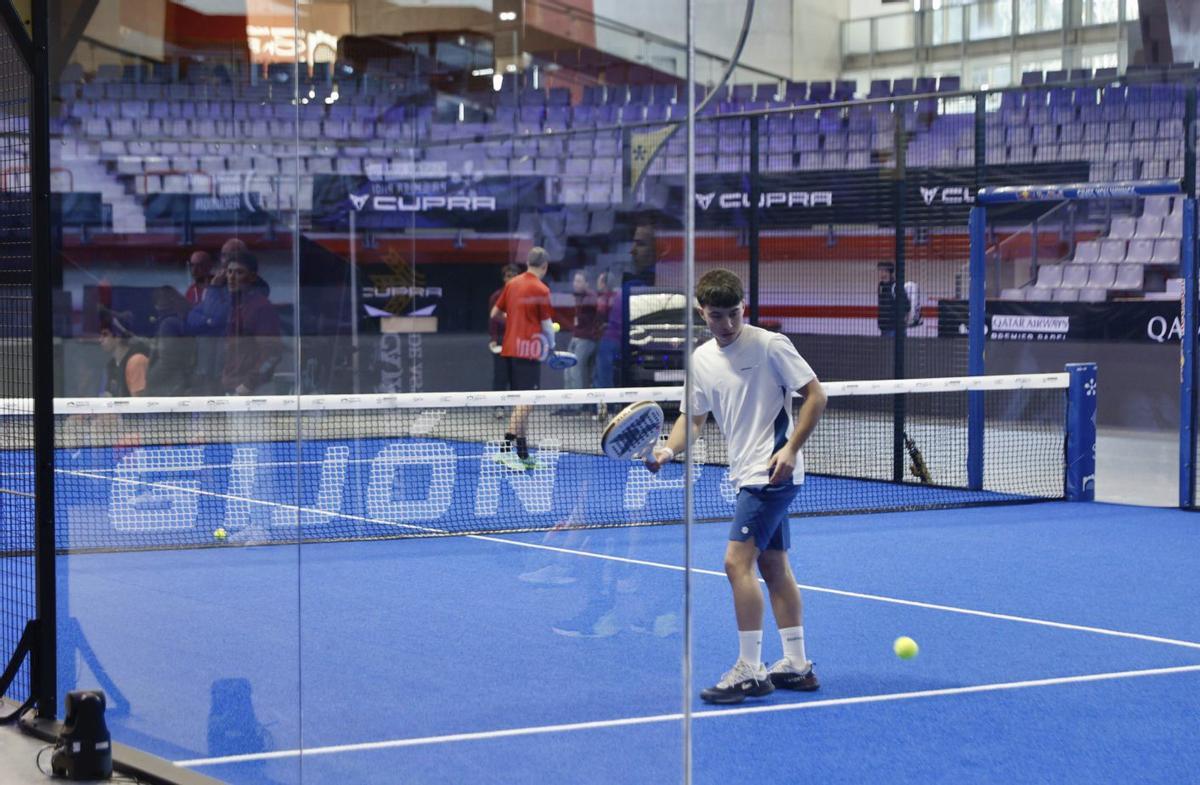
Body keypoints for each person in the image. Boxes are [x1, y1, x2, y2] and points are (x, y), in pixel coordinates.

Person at [645, 269, 827, 704]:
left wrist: (790, 450)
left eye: (733, 314)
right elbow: (692, 420)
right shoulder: (701, 359)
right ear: (701, 313)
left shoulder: (770, 345)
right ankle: (797, 664)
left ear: (743, 307)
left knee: (734, 563)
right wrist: (669, 452)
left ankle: (750, 668)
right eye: (715, 316)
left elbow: (816, 396)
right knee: (773, 565)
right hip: (747, 472)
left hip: (772, 473)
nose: (726, 325)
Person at [490, 247, 556, 470]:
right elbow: (547, 326)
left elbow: (494, 315)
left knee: (522, 405)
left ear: (528, 263)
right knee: (527, 402)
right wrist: (553, 347)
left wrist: (514, 320)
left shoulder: (511, 284)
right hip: (528, 353)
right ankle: (505, 449)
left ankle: (523, 453)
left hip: (508, 351)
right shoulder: (542, 289)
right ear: (545, 267)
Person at [221, 252, 283, 395]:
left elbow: (272, 354)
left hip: (253, 391)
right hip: (231, 386)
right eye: (229, 272)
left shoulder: (261, 308)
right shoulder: (232, 307)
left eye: (239, 272)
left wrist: (249, 384)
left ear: (252, 277)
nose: (231, 277)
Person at [558, 270, 599, 413]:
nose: (576, 284)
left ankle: (578, 405)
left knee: (576, 371)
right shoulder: (577, 298)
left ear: (587, 283)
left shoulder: (591, 298)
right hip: (575, 337)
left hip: (587, 339)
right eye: (575, 281)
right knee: (567, 371)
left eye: (579, 281)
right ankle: (567, 405)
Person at [146, 285, 197, 396]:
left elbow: (168, 360)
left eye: (157, 301)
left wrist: (149, 379)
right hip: (178, 383)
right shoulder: (179, 319)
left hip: (170, 387)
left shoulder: (168, 323)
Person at [488, 263, 521, 408]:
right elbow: (493, 320)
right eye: (508, 276)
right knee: (500, 376)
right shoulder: (496, 297)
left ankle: (515, 407)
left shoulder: (523, 297)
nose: (511, 279)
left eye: (514, 276)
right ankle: (499, 407)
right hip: (501, 340)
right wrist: (494, 339)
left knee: (517, 376)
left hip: (518, 342)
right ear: (504, 278)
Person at [98, 313, 151, 397]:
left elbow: (139, 406)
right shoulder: (111, 365)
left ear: (118, 335)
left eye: (105, 334)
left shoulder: (136, 361)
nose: (100, 340)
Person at [592, 269, 620, 419]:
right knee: (602, 375)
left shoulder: (604, 299)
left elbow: (600, 318)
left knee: (603, 376)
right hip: (612, 340)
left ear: (604, 283)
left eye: (600, 280)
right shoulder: (617, 297)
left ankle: (607, 409)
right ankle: (606, 408)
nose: (597, 283)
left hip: (607, 341)